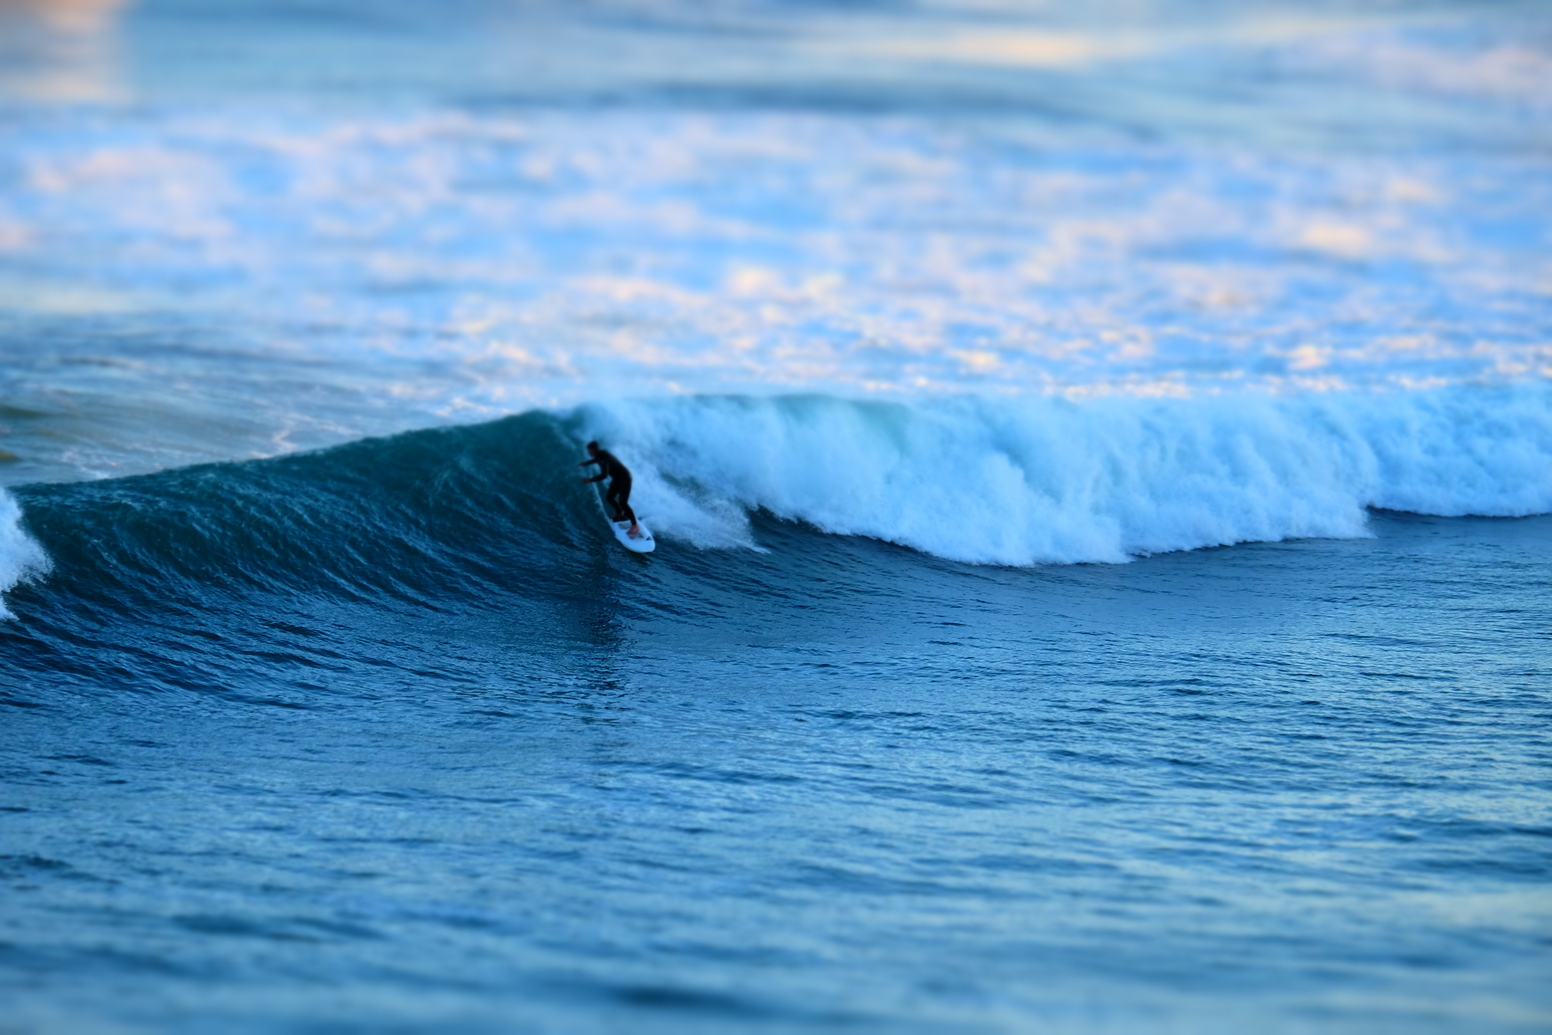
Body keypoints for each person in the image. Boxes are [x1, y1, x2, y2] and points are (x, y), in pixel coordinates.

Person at [579, 441, 641, 537]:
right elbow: (596, 460)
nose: (589, 452)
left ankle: (635, 525)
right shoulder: (601, 454)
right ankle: (620, 512)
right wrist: (585, 463)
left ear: (593, 450)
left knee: (623, 503)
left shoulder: (604, 459)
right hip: (618, 478)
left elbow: (604, 475)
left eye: (589, 450)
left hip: (624, 478)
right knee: (610, 497)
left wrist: (590, 480)